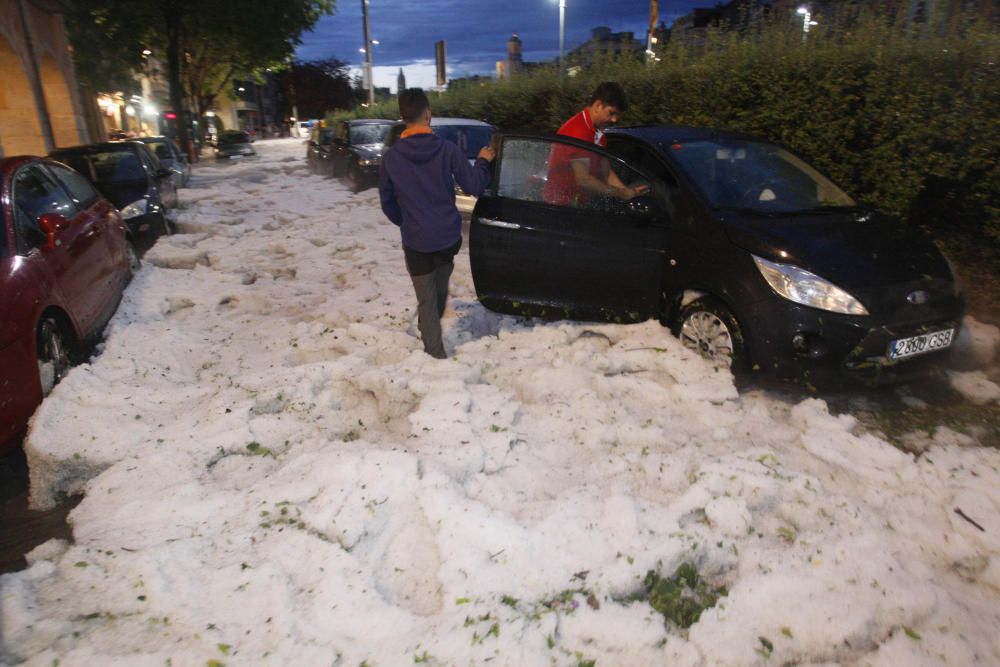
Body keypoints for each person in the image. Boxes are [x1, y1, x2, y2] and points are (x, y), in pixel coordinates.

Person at [379, 88, 496, 359]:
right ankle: (435, 355)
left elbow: (387, 203)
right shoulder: (447, 150)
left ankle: (429, 333)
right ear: (428, 114)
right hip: (446, 238)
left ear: (402, 117)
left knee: (428, 299)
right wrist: (482, 161)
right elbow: (476, 184)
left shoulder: (391, 158)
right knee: (436, 294)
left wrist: (407, 222)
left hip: (416, 241)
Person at [544, 81, 648, 205]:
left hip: (577, 204)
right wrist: (622, 193)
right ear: (598, 105)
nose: (615, 119)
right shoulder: (577, 131)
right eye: (611, 113)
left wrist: (628, 193)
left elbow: (606, 172)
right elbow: (584, 179)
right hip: (561, 205)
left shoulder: (597, 131)